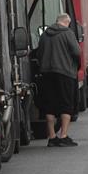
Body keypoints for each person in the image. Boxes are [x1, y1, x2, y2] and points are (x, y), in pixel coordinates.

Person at [36, 13, 80, 147]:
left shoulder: (44, 35)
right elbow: (77, 52)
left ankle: (52, 137)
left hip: (47, 74)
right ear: (67, 22)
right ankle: (63, 136)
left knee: (49, 105)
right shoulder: (67, 33)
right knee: (66, 104)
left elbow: (39, 53)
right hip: (65, 73)